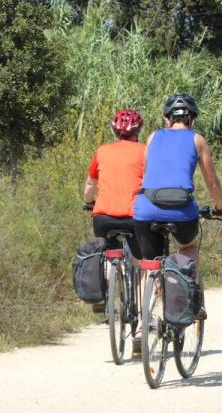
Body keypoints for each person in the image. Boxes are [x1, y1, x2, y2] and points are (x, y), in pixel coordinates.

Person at [133, 93, 222, 318]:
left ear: (167, 119)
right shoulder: (197, 139)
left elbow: (146, 174)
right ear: (192, 119)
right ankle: (194, 301)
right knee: (188, 248)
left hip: (146, 208)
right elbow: (212, 181)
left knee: (148, 265)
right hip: (181, 209)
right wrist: (221, 207)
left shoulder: (153, 136)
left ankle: (140, 327)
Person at [83, 109, 145, 354]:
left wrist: (89, 203)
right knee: (142, 265)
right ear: (138, 132)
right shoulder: (145, 151)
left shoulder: (102, 151)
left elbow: (91, 184)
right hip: (135, 216)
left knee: (110, 252)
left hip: (104, 216)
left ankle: (106, 291)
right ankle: (140, 326)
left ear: (113, 130)